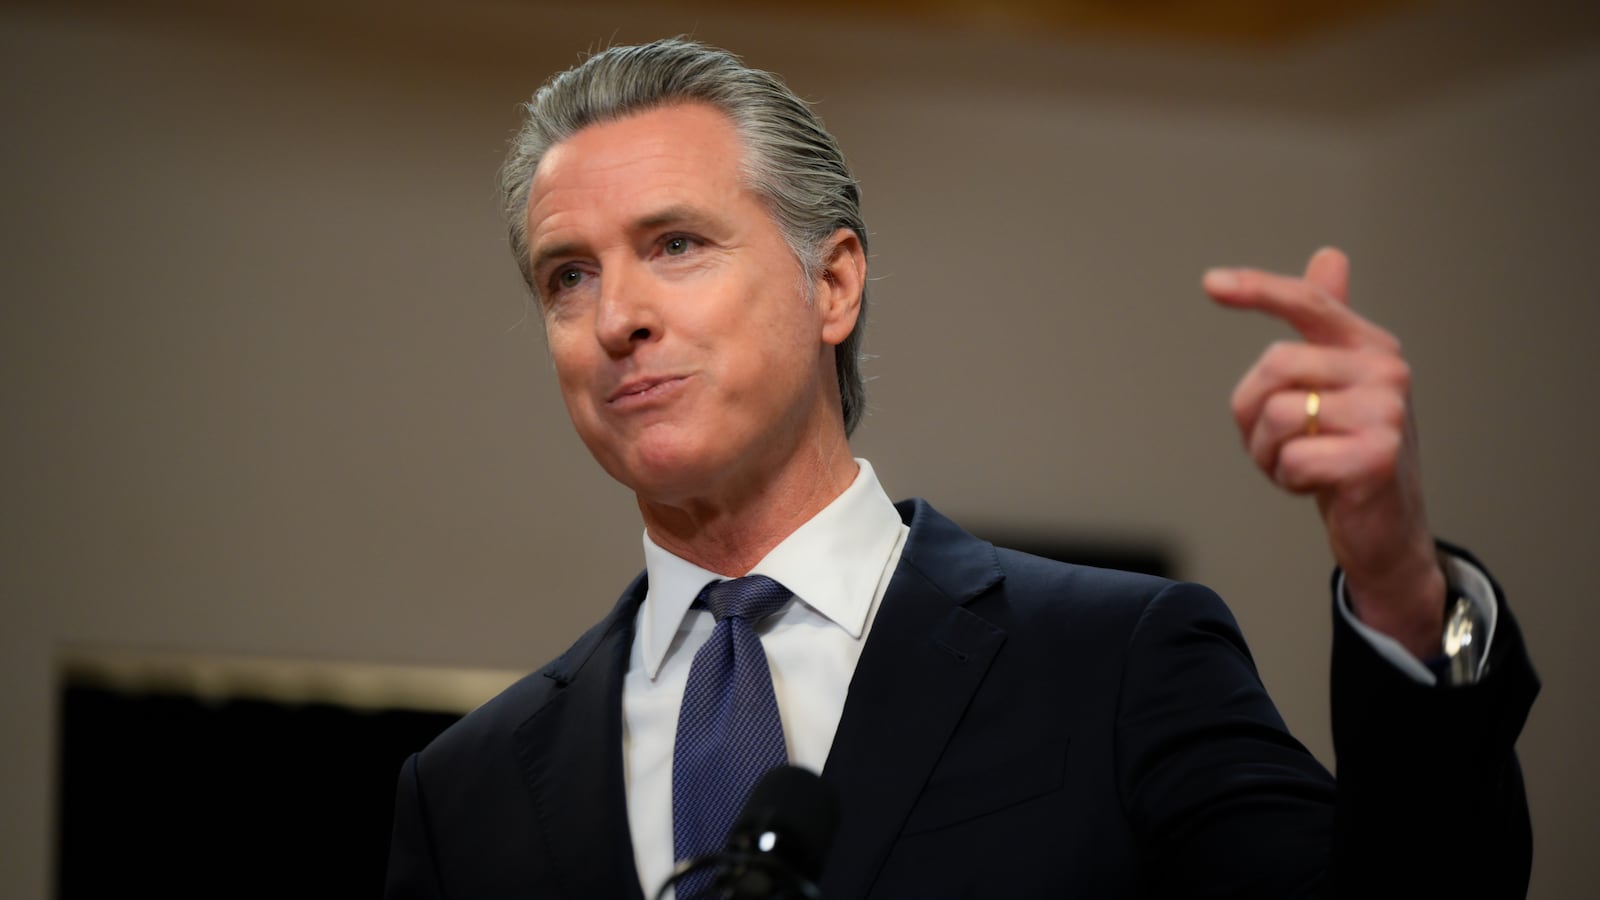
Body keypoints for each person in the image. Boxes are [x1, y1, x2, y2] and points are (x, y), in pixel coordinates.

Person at [385, 38, 1537, 899]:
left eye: (674, 244)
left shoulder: (1114, 664)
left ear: (833, 284)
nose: (616, 318)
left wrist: (1396, 585)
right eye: (568, 277)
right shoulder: (467, 789)